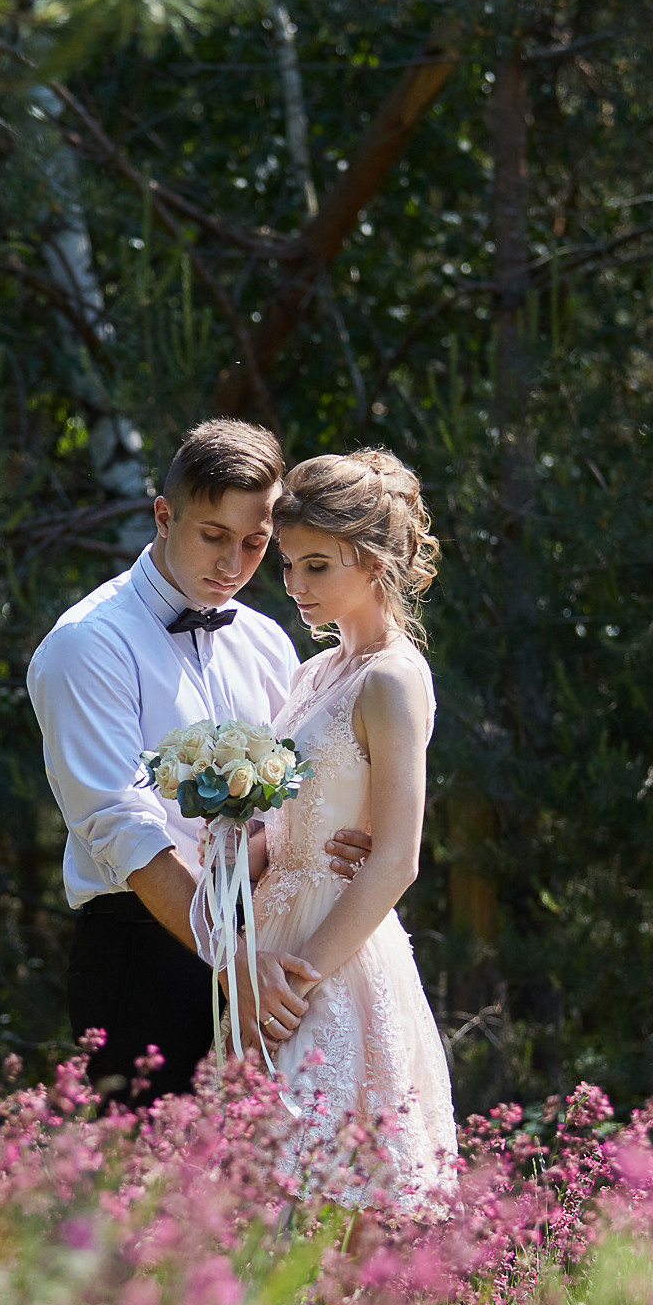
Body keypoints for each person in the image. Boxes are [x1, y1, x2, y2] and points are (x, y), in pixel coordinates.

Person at [27, 419, 370, 1096]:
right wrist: (228, 959)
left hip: (269, 943)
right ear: (164, 514)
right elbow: (121, 827)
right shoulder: (87, 645)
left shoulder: (270, 641)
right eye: (214, 536)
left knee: (267, 1193)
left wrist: (336, 839)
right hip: (142, 955)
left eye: (255, 543)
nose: (234, 564)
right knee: (151, 1191)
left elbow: (299, 787)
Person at [213, 447, 456, 1205]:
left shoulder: (392, 677)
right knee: (258, 1200)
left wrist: (300, 973)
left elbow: (398, 857)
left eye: (317, 565)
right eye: (288, 565)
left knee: (336, 1196)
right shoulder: (314, 672)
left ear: (373, 558)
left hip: (330, 956)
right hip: (268, 940)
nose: (294, 586)